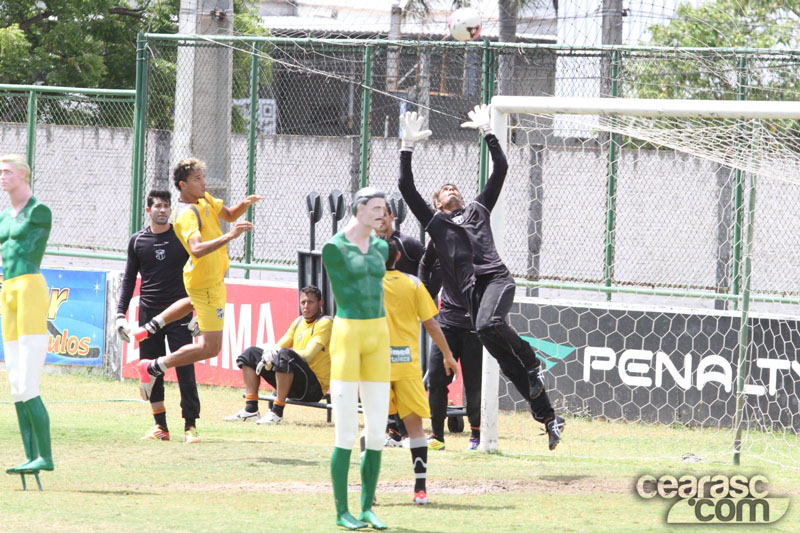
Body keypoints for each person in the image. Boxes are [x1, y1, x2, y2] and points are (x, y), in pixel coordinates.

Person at [398, 106, 565, 450]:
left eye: (454, 186)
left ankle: (532, 361)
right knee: (505, 359)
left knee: (489, 326)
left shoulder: (478, 208)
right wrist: (407, 147)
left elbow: (501, 167)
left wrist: (489, 132)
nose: (451, 189)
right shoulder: (435, 226)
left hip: (497, 281)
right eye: (445, 189)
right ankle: (549, 417)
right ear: (437, 203)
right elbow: (405, 186)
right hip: (472, 301)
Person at [135, 158, 262, 406]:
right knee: (210, 348)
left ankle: (152, 326)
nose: (204, 182)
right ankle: (154, 366)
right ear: (183, 185)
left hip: (210, 279)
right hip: (204, 282)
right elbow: (197, 249)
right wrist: (230, 235)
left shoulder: (203, 199)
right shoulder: (185, 215)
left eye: (203, 177)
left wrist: (244, 204)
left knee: (194, 308)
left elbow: (228, 213)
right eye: (197, 179)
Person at [321, 187, 390, 530]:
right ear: (359, 209)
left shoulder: (382, 246)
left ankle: (367, 507)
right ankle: (340, 511)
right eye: (376, 208)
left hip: (379, 335)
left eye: (385, 208)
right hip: (348, 334)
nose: (383, 213)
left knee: (377, 430)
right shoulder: (334, 247)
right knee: (346, 432)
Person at [115, 189, 201, 443]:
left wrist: (199, 312)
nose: (162, 210)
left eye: (166, 205)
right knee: (151, 370)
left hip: (180, 313)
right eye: (158, 206)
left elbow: (198, 275)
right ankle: (160, 426)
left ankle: (190, 427)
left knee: (185, 368)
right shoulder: (137, 241)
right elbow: (129, 279)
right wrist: (121, 314)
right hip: (148, 315)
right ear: (148, 210)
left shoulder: (182, 238)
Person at [377, 236, 458, 505]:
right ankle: (420, 489)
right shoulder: (413, 284)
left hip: (375, 367)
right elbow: (432, 324)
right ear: (398, 257)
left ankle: (371, 491)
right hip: (406, 367)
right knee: (416, 429)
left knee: (373, 430)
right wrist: (447, 355)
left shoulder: (365, 284)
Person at [0, 154, 54, 475]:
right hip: (8, 292)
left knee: (29, 382)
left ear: (23, 174)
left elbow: (28, 245)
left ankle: (45, 456)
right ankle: (31, 456)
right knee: (16, 384)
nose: (2, 177)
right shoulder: (4, 216)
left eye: (7, 171)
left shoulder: (38, 211)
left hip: (30, 288)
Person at [224, 286, 332, 425]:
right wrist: (269, 352)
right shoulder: (298, 322)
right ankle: (251, 410)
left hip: (313, 388)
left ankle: (277, 412)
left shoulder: (325, 323)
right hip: (294, 383)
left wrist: (276, 353)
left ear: (320, 303)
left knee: (284, 355)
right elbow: (278, 346)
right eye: (303, 302)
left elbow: (308, 355)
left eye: (310, 302)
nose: (306, 306)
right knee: (250, 354)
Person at [419, 239, 483, 451]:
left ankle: (477, 436)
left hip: (473, 327)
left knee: (474, 384)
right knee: (436, 378)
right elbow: (425, 264)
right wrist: (425, 297)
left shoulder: (479, 239)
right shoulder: (440, 240)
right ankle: (437, 436)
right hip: (446, 325)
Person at [375, 202, 424, 446]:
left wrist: (424, 296)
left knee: (404, 374)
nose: (379, 220)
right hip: (379, 326)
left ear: (392, 217)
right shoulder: (368, 246)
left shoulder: (408, 243)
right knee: (383, 378)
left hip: (404, 324)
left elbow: (430, 264)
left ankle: (407, 431)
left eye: (383, 214)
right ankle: (393, 430)